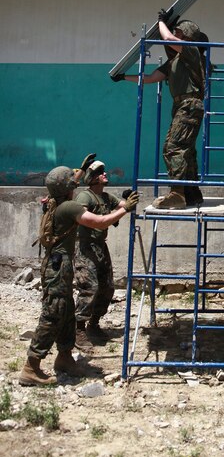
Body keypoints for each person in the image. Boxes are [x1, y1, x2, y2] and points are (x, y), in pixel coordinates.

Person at [19, 156, 139, 387]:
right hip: (58, 267)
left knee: (67, 313)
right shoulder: (70, 206)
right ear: (68, 188)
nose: (75, 182)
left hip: (57, 265)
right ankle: (31, 366)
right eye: (72, 181)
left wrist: (82, 170)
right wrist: (125, 209)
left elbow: (68, 183)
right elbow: (100, 222)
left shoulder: (53, 200)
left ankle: (64, 358)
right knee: (53, 314)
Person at [112, 17, 208, 210]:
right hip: (182, 106)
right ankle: (191, 193)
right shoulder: (175, 61)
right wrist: (124, 77)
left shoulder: (192, 51)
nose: (176, 35)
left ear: (188, 36)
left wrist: (161, 22)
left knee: (173, 147)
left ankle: (177, 194)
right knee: (185, 150)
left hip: (189, 104)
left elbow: (170, 39)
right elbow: (150, 78)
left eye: (180, 32)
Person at [74, 160, 132, 351]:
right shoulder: (85, 196)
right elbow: (97, 222)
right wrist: (125, 209)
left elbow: (124, 204)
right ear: (92, 178)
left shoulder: (106, 197)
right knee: (89, 287)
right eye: (100, 172)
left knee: (107, 288)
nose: (105, 174)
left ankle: (94, 324)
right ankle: (78, 329)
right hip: (86, 247)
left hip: (100, 247)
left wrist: (130, 200)